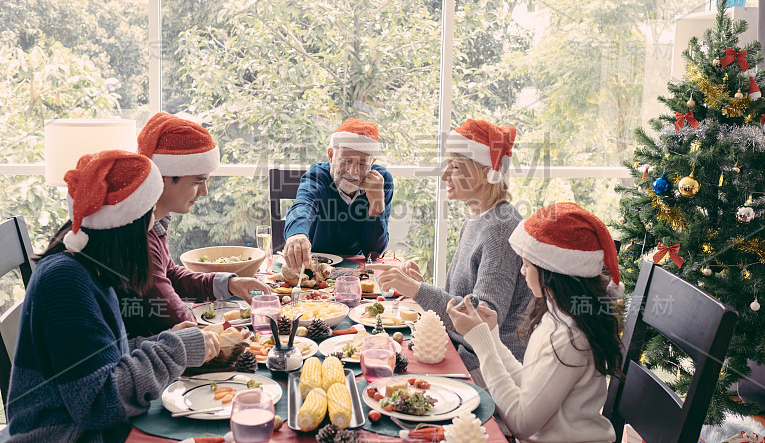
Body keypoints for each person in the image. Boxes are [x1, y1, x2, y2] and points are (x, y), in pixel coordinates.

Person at [3, 151, 219, 442]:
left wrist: (162, 341)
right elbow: (97, 402)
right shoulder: (65, 281)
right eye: (150, 216)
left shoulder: (92, 267)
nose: (153, 226)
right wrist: (176, 349)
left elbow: (105, 356)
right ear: (128, 227)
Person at [446, 202, 624, 442]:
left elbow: (520, 424)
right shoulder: (557, 315)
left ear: (552, 272)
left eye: (527, 265)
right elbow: (529, 385)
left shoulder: (570, 338)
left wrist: (482, 344)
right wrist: (491, 337)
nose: (521, 271)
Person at [377, 118, 529, 383]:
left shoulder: (501, 227)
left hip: (490, 368)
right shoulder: (477, 217)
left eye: (455, 167)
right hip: (464, 351)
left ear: (486, 173)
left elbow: (482, 316)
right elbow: (462, 298)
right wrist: (421, 286)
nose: (445, 175)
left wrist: (418, 291)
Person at [120, 112, 271, 337]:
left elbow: (170, 274)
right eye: (198, 181)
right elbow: (176, 317)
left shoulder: (155, 221)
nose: (204, 192)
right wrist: (227, 329)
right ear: (163, 178)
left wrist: (229, 284)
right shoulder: (138, 236)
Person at [283, 118, 393, 272]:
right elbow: (303, 204)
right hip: (313, 265)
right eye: (346, 160)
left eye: (362, 164)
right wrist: (297, 235)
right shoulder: (317, 176)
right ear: (330, 155)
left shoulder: (381, 181)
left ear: (372, 161)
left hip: (355, 270)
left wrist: (376, 206)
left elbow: (373, 253)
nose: (353, 172)